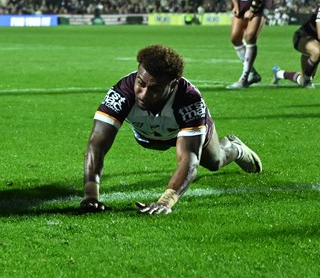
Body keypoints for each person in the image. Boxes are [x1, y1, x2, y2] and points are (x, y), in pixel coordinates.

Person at [79, 44, 262, 216]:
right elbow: (97, 144)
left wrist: (166, 201)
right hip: (149, 136)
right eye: (140, 84)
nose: (143, 94)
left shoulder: (189, 100)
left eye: (155, 89)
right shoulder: (122, 92)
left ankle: (234, 147)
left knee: (214, 162)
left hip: (183, 130)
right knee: (151, 143)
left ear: (173, 85)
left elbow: (189, 159)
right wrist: (91, 195)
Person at [272, 1, 320, 88]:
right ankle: (306, 80)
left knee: (307, 76)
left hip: (314, 42)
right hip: (302, 37)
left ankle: (278, 73)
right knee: (317, 52)